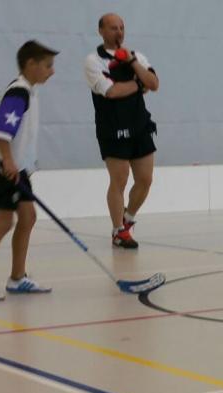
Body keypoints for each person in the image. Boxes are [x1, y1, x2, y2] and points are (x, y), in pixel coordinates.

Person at [84, 13, 159, 249]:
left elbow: (154, 83)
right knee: (120, 179)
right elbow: (112, 92)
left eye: (121, 28)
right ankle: (118, 231)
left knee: (145, 180)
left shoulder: (137, 56)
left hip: (140, 124)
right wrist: (138, 84)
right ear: (101, 31)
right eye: (113, 28)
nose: (119, 32)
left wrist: (133, 62)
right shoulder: (94, 61)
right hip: (112, 128)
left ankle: (127, 219)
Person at [0, 40, 58, 301]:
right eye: (48, 66)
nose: (52, 71)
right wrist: (7, 160)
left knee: (27, 217)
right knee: (5, 222)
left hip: (19, 170)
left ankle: (18, 278)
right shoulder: (18, 92)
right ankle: (17, 277)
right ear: (31, 64)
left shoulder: (29, 91)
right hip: (6, 170)